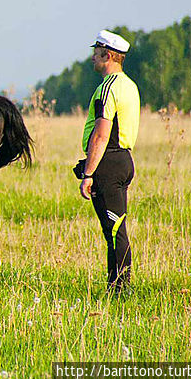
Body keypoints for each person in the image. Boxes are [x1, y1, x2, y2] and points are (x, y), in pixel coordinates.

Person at [77, 29, 140, 292]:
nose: (92, 57)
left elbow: (102, 134)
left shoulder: (108, 88)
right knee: (114, 229)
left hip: (108, 162)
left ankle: (121, 288)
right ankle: (116, 284)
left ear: (109, 55)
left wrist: (88, 173)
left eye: (96, 52)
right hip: (124, 159)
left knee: (114, 231)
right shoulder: (129, 85)